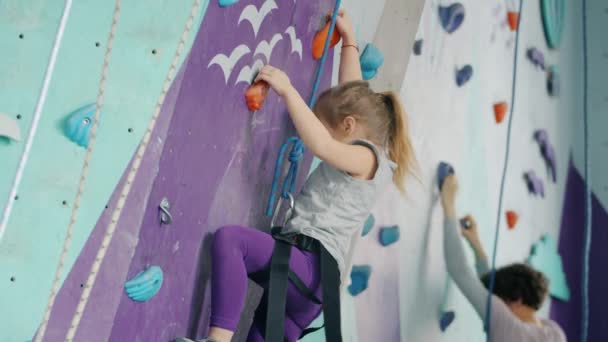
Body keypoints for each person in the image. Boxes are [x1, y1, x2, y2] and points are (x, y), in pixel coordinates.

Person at [176, 10, 416, 342]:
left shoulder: (367, 158)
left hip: (306, 266)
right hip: (308, 287)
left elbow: (321, 144)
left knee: (232, 241)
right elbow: (352, 90)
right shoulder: (367, 148)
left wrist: (288, 91)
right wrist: (349, 41)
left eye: (329, 125)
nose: (323, 130)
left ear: (348, 126)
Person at [439, 173, 566, 341]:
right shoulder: (554, 332)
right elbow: (488, 291)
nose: (496, 303)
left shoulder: (510, 329)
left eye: (501, 301)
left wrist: (449, 205)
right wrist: (476, 245)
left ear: (517, 300)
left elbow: (460, 272)